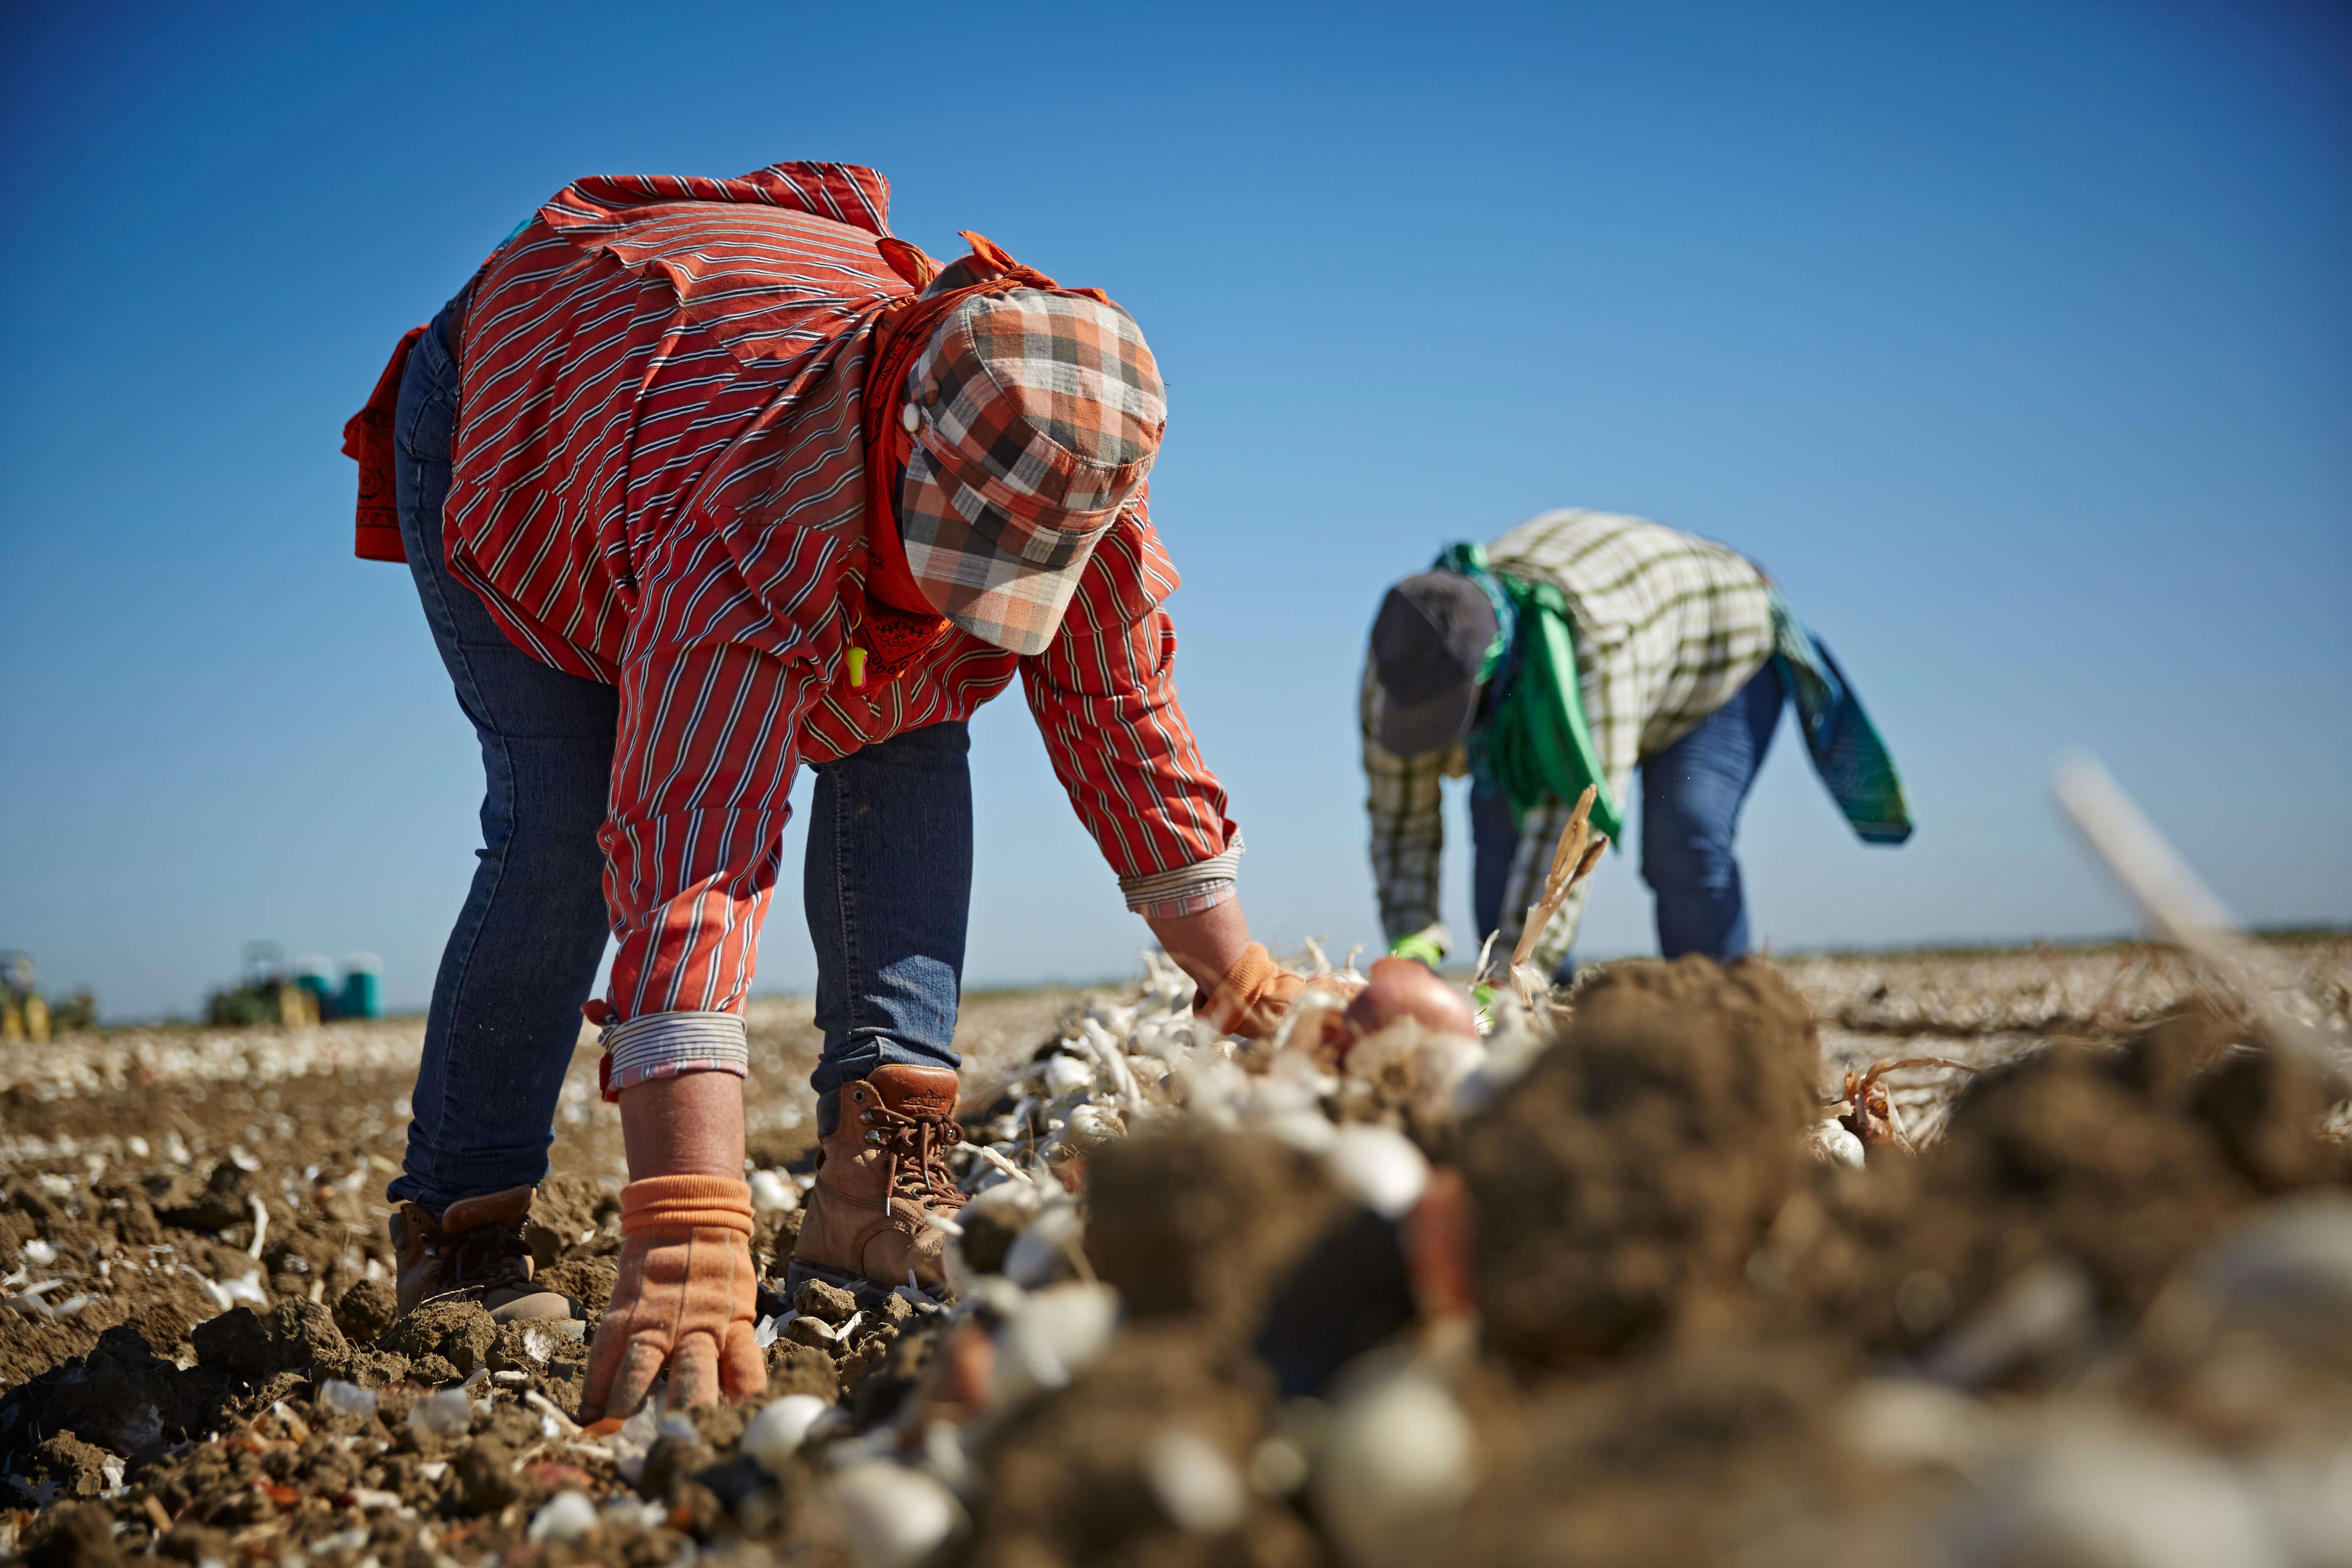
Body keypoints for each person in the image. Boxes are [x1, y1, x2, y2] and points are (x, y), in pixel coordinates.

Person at [342, 162, 1330, 1420]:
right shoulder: (752, 521)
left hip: (712, 386)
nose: (979, 597)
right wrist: (691, 1221)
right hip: (540, 401)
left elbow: (1115, 710)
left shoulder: (1066, 462)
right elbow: (691, 853)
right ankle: (462, 1231)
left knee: (914, 712)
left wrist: (1232, 968)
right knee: (565, 812)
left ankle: (874, 1187)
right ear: (898, 449)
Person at [1362, 509, 1911, 985]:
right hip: (1579, 667)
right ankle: (1539, 1034)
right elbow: (1399, 821)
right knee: (1499, 847)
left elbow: (1570, 832)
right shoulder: (1398, 658)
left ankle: (1721, 1023)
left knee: (1684, 835)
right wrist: (1410, 947)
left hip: (1713, 654)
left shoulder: (1592, 647)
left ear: (1487, 672)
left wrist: (1509, 979)